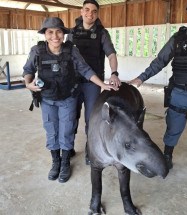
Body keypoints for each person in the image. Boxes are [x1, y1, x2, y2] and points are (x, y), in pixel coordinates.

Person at [129, 0, 187, 188]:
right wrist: (140, 78)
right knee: (172, 128)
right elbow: (160, 61)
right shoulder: (178, 38)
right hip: (178, 92)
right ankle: (167, 156)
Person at [23, 17, 117, 183]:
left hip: (68, 98)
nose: (55, 36)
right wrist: (28, 83)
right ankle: (56, 162)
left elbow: (86, 70)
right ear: (45, 34)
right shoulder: (37, 50)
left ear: (64, 34)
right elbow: (28, 70)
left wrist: (102, 84)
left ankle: (65, 162)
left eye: (59, 31)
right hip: (47, 98)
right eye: (50, 32)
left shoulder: (71, 50)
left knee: (66, 129)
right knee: (51, 129)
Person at [66, 0, 121, 164]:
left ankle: (91, 149)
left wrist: (114, 73)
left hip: (93, 84)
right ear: (81, 12)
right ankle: (68, 147)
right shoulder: (71, 32)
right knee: (70, 116)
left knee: (91, 118)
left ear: (97, 14)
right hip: (73, 82)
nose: (90, 13)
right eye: (87, 10)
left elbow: (111, 55)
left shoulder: (102, 33)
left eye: (94, 11)